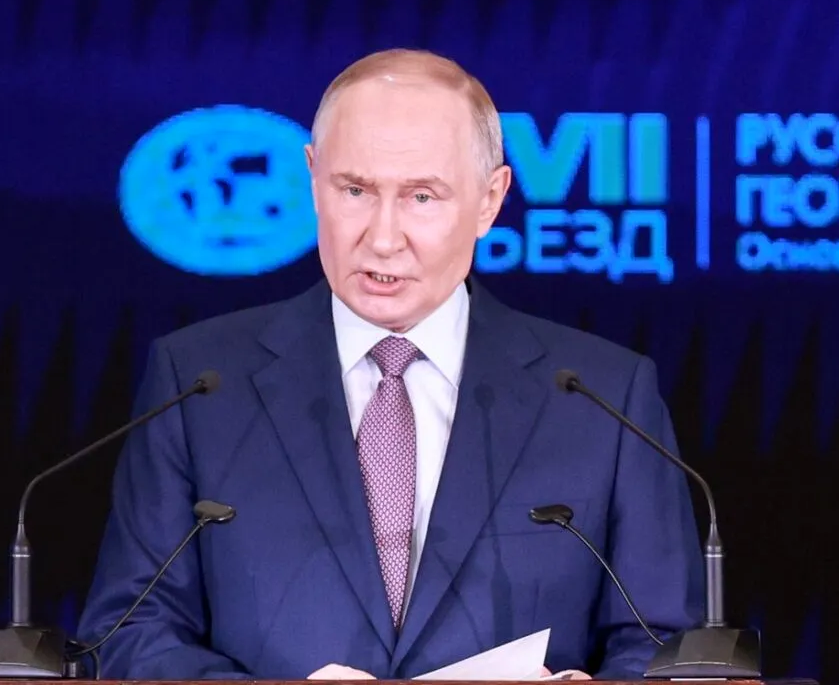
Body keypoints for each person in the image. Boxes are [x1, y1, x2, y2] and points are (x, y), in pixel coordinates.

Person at [76, 48, 704, 680]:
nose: (381, 238)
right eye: (355, 190)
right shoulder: (198, 385)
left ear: (490, 200)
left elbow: (663, 647)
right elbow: (131, 630)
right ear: (312, 177)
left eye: (421, 197)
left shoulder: (603, 398)